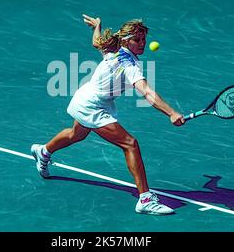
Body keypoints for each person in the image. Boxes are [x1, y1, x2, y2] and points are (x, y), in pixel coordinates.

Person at [31, 14, 185, 215]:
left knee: (76, 134)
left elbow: (97, 42)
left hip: (86, 97)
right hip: (92, 106)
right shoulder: (129, 65)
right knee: (130, 144)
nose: (142, 44)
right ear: (125, 40)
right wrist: (171, 113)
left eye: (143, 40)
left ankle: (43, 151)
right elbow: (147, 92)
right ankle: (145, 200)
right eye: (137, 40)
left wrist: (97, 26)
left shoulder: (114, 49)